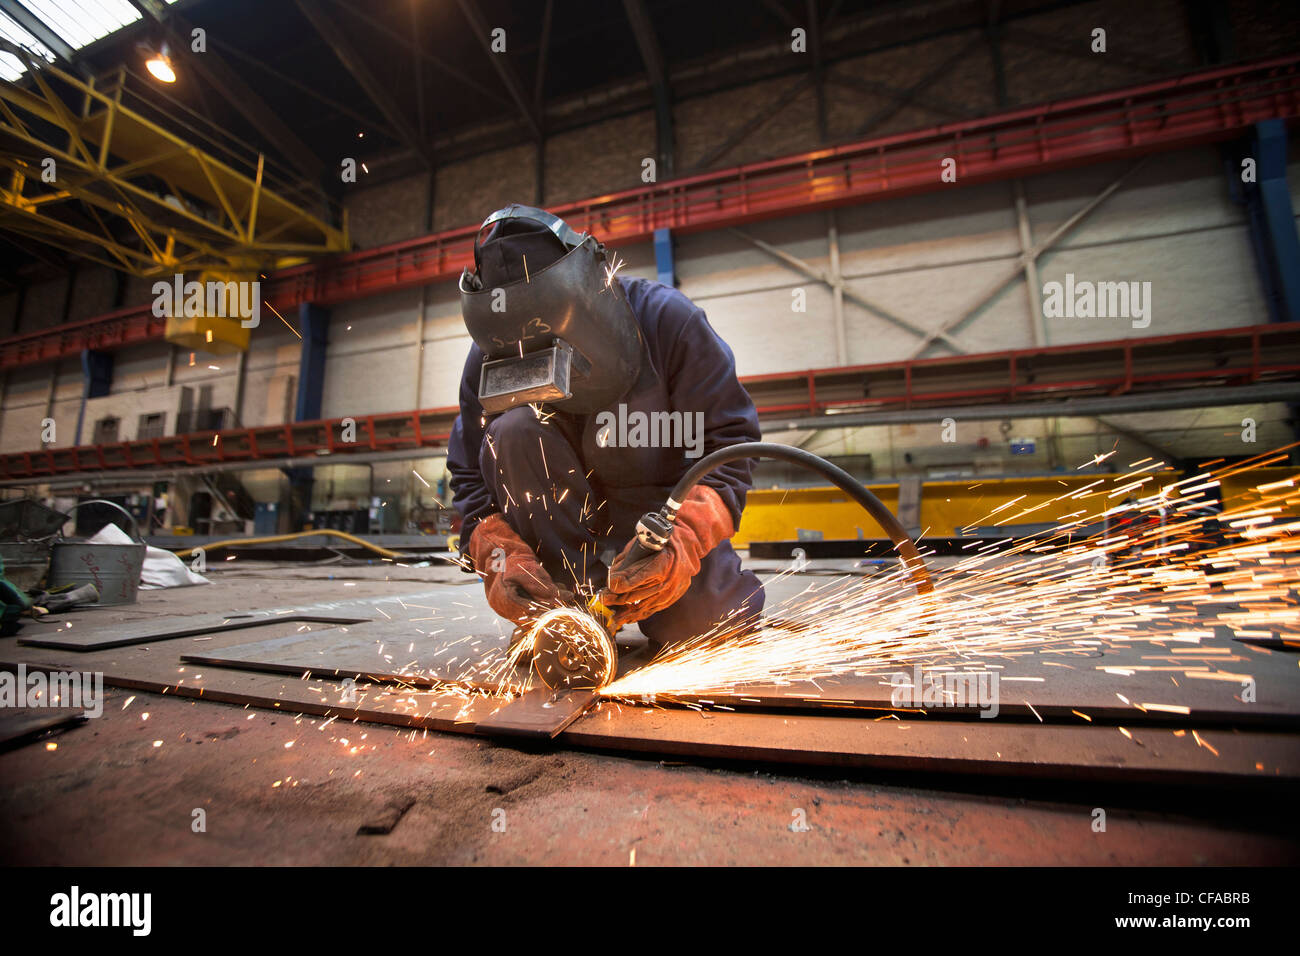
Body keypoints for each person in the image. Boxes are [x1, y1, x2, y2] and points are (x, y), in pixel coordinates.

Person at [446, 204, 764, 650]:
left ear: (593, 284)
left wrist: (683, 542)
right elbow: (470, 478)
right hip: (557, 537)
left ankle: (682, 592)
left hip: (658, 523)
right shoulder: (490, 356)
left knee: (707, 628)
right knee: (514, 430)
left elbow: (730, 450)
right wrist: (500, 554)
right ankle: (568, 610)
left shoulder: (667, 321)